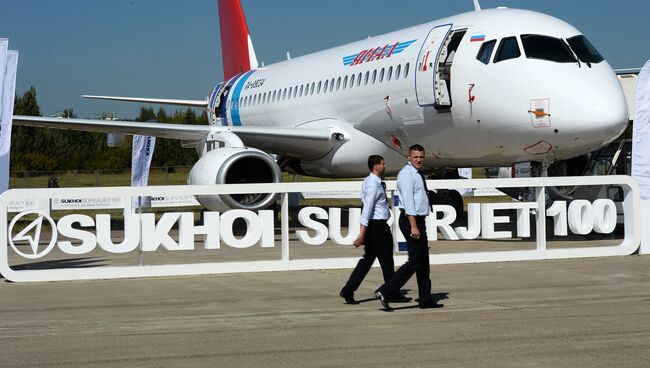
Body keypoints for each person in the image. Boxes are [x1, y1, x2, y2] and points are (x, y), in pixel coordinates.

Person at [375, 144, 443, 310]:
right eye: (415, 157)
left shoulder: (417, 173)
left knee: (423, 260)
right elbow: (409, 202)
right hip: (410, 220)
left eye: (421, 157)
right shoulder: (406, 174)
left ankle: (425, 298)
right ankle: (387, 291)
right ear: (409, 157)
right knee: (415, 261)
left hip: (419, 220)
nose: (419, 160)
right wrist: (414, 226)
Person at [339, 155, 411, 305]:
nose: (385, 166)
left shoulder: (369, 181)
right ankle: (392, 293)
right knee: (387, 262)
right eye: (383, 164)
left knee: (367, 261)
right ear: (376, 166)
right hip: (377, 227)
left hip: (374, 226)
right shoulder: (373, 184)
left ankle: (348, 289)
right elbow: (367, 208)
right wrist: (362, 233)